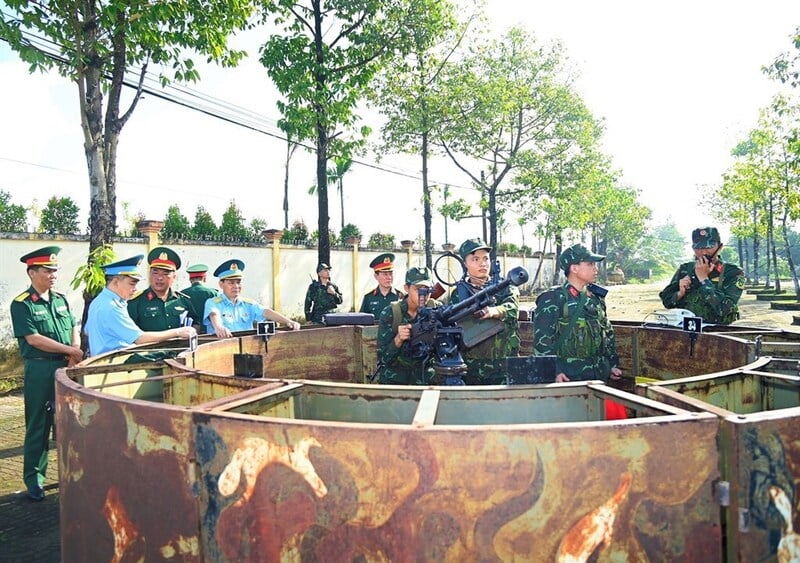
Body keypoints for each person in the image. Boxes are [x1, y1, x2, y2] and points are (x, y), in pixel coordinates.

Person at [10, 246, 82, 501]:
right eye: (47, 271)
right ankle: (34, 480)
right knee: (38, 425)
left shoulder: (61, 299)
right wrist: (71, 351)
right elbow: (34, 339)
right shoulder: (22, 304)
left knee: (71, 422)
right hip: (40, 368)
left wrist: (74, 351)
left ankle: (72, 474)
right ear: (32, 273)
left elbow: (73, 326)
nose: (53, 275)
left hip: (67, 366)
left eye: (54, 270)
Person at [533, 243, 622, 384]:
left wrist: (612, 365)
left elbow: (607, 332)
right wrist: (554, 372)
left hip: (599, 375)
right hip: (569, 377)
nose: (595, 268)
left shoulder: (596, 298)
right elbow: (542, 341)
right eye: (590, 264)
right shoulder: (553, 298)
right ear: (574, 268)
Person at [86, 255, 197, 356]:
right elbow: (140, 339)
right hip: (115, 363)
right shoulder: (111, 307)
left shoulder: (102, 301)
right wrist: (178, 332)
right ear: (116, 282)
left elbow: (87, 331)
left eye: (165, 273)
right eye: (132, 284)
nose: (135, 289)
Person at [448, 238, 520, 385]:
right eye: (475, 259)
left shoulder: (505, 287)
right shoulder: (458, 294)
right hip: (472, 368)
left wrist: (494, 311)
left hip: (504, 366)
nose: (483, 264)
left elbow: (512, 308)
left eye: (486, 258)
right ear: (465, 264)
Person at [659, 226, 746, 325]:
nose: (703, 252)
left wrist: (703, 279)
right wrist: (679, 294)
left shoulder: (733, 272)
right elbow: (667, 302)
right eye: (699, 248)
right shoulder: (686, 269)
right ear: (693, 248)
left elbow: (724, 309)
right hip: (686, 328)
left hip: (718, 330)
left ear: (720, 247)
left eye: (708, 247)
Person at [376, 267, 441, 384]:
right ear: (407, 288)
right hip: (396, 381)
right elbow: (383, 359)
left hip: (426, 379)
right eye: (418, 290)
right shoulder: (392, 313)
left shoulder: (437, 310)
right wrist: (398, 340)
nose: (424, 295)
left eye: (427, 290)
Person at [203, 259, 301, 337]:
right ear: (221, 284)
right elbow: (214, 315)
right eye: (231, 283)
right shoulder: (213, 303)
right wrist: (219, 327)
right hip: (222, 349)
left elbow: (266, 312)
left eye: (238, 282)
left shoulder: (248, 304)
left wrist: (288, 321)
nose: (236, 286)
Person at [127, 246, 198, 331]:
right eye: (155, 273)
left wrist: (191, 333)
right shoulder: (136, 301)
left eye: (165, 273)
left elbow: (195, 323)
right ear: (149, 275)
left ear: (174, 277)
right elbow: (129, 331)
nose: (159, 278)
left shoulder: (183, 300)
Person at [359, 253, 404, 317]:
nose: (389, 277)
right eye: (385, 274)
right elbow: (362, 320)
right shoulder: (369, 298)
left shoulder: (400, 296)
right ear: (376, 276)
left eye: (390, 274)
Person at [180, 263, 219, 334]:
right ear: (204, 278)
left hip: (189, 333)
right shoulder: (213, 293)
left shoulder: (182, 294)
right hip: (210, 333)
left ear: (190, 279)